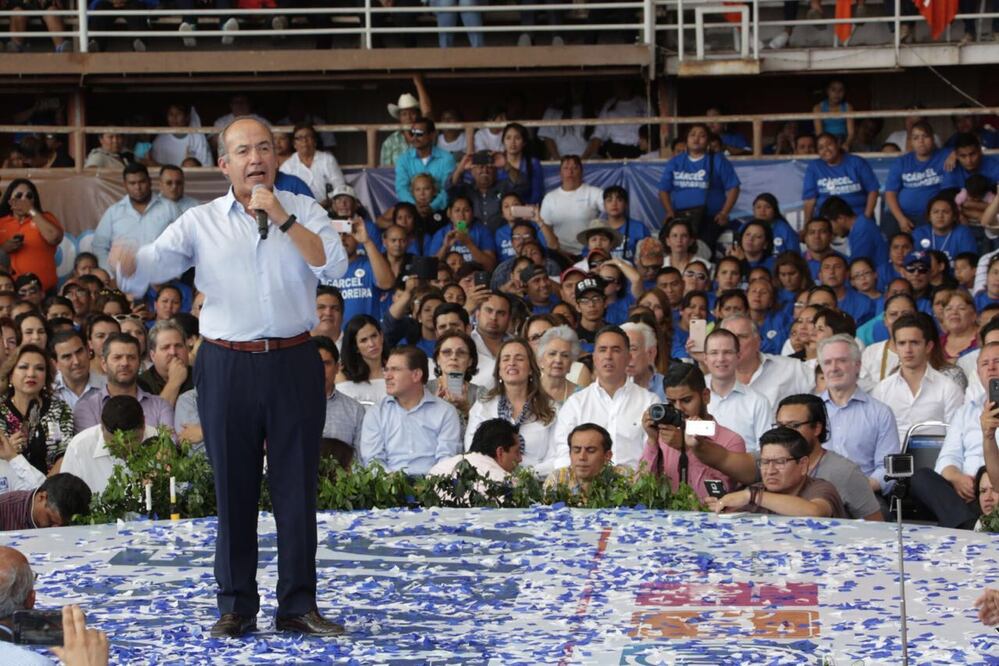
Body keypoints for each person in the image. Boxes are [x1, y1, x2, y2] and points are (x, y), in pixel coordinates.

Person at [109, 115, 349, 637]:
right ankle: (237, 605)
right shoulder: (201, 221)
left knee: (296, 488)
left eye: (264, 148)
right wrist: (130, 262)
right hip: (226, 363)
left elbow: (333, 265)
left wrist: (283, 218)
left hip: (293, 359)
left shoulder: (303, 208)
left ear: (276, 157)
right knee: (234, 487)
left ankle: (297, 605)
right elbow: (155, 260)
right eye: (243, 151)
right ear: (224, 164)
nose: (255, 159)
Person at [909, 342, 999, 529]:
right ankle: (973, 525)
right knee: (920, 477)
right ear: (978, 372)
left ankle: (965, 525)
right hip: (968, 493)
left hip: (996, 488)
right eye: (985, 364)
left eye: (997, 361)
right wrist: (957, 477)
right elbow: (947, 458)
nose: (991, 368)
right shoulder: (966, 411)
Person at [553, 326, 657, 469]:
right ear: (594, 358)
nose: (608, 356)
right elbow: (564, 453)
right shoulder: (576, 404)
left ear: (628, 357)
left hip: (635, 486)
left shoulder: (649, 401)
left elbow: (652, 453)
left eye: (616, 350)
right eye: (602, 350)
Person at [639, 363, 746, 500]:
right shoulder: (664, 438)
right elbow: (641, 491)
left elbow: (716, 498)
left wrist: (688, 448)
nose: (679, 409)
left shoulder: (731, 441)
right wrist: (652, 441)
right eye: (671, 402)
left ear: (706, 396)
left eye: (686, 400)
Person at [464, 337, 558, 477]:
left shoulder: (551, 408)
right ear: (499, 370)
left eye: (519, 358)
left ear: (531, 369)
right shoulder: (483, 406)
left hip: (538, 484)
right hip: (490, 483)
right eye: (506, 359)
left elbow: (556, 457)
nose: (512, 363)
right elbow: (473, 453)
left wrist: (527, 476)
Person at [359, 346, 462, 473]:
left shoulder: (446, 412)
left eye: (395, 369)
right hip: (389, 488)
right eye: (386, 370)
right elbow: (373, 461)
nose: (387, 376)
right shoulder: (376, 413)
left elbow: (446, 460)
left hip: (433, 486)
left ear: (416, 375)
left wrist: (430, 487)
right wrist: (393, 486)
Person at [707, 427, 847, 518]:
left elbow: (815, 513)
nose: (770, 471)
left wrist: (752, 496)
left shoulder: (821, 488)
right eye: (765, 462)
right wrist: (726, 509)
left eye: (780, 462)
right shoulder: (754, 491)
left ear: (803, 464)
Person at [871, 314, 963, 445]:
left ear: (928, 346)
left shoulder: (948, 388)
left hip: (937, 460)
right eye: (902, 343)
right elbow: (875, 436)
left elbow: (956, 436)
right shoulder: (882, 390)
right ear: (896, 348)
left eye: (914, 343)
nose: (908, 350)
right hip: (894, 461)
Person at [657, 123, 741, 248]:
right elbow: (663, 190)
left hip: (710, 218)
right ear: (687, 139)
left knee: (701, 248)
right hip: (681, 216)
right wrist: (669, 211)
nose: (696, 139)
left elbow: (734, 187)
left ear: (708, 141)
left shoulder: (717, 160)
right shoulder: (676, 161)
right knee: (666, 243)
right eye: (692, 135)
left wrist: (724, 213)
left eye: (702, 136)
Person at [73, 332, 174, 434]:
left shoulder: (160, 406)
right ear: (104, 364)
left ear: (139, 363)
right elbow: (89, 447)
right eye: (117, 357)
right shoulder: (87, 407)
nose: (125, 363)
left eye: (131, 357)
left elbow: (168, 446)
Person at [59, 395, 158, 495]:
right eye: (115, 444)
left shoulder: (158, 440)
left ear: (144, 423)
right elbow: (66, 500)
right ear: (102, 426)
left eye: (133, 440)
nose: (126, 450)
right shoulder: (79, 447)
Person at [0, 343, 73, 476]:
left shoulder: (60, 409)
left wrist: (43, 491)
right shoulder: (1, 411)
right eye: (23, 367)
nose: (31, 374)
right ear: (10, 375)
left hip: (51, 489)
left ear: (46, 377)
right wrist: (7, 453)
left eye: (39, 368)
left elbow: (65, 455)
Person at [91, 163, 180, 269]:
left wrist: (173, 273)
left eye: (142, 182)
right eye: (132, 183)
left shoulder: (170, 208)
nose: (138, 187)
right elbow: (99, 246)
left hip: (163, 277)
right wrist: (110, 275)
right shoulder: (113, 212)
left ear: (149, 181)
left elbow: (182, 242)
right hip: (122, 280)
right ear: (125, 185)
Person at [701, 329, 773, 452]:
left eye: (727, 352)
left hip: (743, 469)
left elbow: (764, 451)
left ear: (738, 356)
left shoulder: (758, 401)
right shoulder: (693, 397)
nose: (721, 358)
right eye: (714, 353)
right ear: (705, 358)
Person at [719, 314, 812, 407]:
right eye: (728, 338)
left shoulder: (792, 368)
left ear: (758, 341)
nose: (734, 343)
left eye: (741, 337)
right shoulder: (711, 381)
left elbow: (822, 398)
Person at [0, 179, 64, 293]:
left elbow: (54, 238)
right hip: (9, 293)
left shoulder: (45, 218)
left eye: (29, 196)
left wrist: (31, 210)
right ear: (10, 200)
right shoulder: (1, 222)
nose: (24, 200)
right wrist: (3, 249)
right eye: (19, 196)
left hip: (43, 291)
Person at [884, 121, 947, 232]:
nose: (921, 141)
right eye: (916, 138)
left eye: (925, 136)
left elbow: (960, 150)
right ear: (911, 142)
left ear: (933, 138)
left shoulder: (944, 156)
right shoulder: (902, 162)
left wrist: (954, 155)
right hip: (903, 215)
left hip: (931, 217)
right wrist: (901, 219)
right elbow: (890, 193)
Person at [802, 133, 879, 222]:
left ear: (838, 144)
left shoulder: (857, 162)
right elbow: (809, 200)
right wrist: (807, 225)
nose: (826, 149)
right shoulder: (814, 167)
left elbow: (873, 190)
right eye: (821, 148)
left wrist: (866, 218)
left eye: (829, 144)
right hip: (827, 222)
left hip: (857, 217)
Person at [314, 336, 364, 469]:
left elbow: (360, 460)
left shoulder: (355, 410)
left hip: (344, 486)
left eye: (326, 363)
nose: (319, 369)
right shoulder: (289, 408)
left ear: (337, 367)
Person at [539, 155, 605, 255]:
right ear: (560, 173)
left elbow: (612, 214)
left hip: (589, 252)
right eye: (566, 168)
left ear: (581, 172)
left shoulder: (595, 193)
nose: (570, 172)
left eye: (574, 168)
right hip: (560, 253)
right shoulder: (550, 198)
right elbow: (545, 228)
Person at [544, 423, 632, 496]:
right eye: (576, 450)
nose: (582, 457)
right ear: (569, 454)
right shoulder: (557, 478)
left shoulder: (623, 477)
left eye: (591, 451)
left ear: (607, 456)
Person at [429, 417, 523, 482]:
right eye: (517, 452)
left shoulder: (436, 472)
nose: (520, 459)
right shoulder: (508, 486)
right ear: (500, 452)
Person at [427, 330, 484, 433]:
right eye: (446, 352)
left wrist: (467, 410)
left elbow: (487, 435)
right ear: (438, 359)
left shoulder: (481, 394)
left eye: (461, 353)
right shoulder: (424, 390)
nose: (453, 357)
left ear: (470, 361)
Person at [395, 117, 456, 213]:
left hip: (440, 211)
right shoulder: (403, 160)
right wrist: (415, 207)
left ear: (432, 135)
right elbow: (401, 188)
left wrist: (432, 207)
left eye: (419, 134)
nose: (414, 138)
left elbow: (447, 189)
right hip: (411, 211)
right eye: (412, 133)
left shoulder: (447, 158)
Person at [279, 124, 346, 207]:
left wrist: (329, 202)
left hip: (329, 208)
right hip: (300, 211)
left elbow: (340, 186)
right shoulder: (287, 167)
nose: (304, 141)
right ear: (294, 144)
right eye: (299, 138)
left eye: (308, 136)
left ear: (315, 141)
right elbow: (283, 194)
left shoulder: (327, 159)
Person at [137, 320, 194, 408]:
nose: (173, 352)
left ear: (187, 350)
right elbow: (156, 419)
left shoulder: (201, 376)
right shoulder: (141, 383)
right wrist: (174, 382)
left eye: (178, 346)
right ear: (153, 355)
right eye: (165, 347)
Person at [336, 315, 388, 409]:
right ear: (355, 347)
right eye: (364, 340)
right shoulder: (341, 376)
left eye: (374, 336)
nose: (371, 344)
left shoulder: (396, 370)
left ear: (382, 336)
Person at [911, 194, 977, 264]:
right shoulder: (919, 233)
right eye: (936, 212)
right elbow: (913, 261)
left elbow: (968, 265)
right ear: (929, 216)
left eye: (945, 212)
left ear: (954, 216)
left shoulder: (963, 233)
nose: (940, 216)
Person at [51, 329, 107, 411]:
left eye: (79, 352)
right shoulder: (47, 392)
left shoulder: (108, 386)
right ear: (56, 364)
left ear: (88, 351)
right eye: (67, 357)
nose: (76, 361)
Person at [380, 81, 432, 168]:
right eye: (404, 114)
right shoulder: (390, 142)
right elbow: (384, 171)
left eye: (412, 113)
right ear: (399, 118)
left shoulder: (425, 136)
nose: (408, 117)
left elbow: (427, 113)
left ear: (418, 116)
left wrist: (418, 82)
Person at [151, 103, 213, 169]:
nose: (174, 118)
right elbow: (156, 167)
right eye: (171, 114)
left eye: (179, 114)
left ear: (187, 117)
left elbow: (208, 165)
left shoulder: (198, 138)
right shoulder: (160, 140)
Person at [536, 325, 581, 407]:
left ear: (571, 363)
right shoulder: (527, 390)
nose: (558, 360)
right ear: (541, 360)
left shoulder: (581, 396)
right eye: (552, 354)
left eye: (565, 355)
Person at [621, 322, 664, 401]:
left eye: (633, 349)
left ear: (651, 353)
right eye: (620, 350)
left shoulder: (666, 388)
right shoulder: (607, 390)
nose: (626, 356)